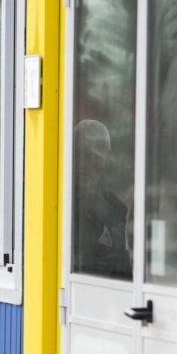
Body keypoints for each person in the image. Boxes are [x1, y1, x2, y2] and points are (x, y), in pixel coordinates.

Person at [72, 119, 133, 280]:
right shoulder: (58, 204)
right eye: (83, 154)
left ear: (106, 159)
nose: (88, 164)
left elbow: (123, 270)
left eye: (96, 157)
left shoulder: (116, 210)